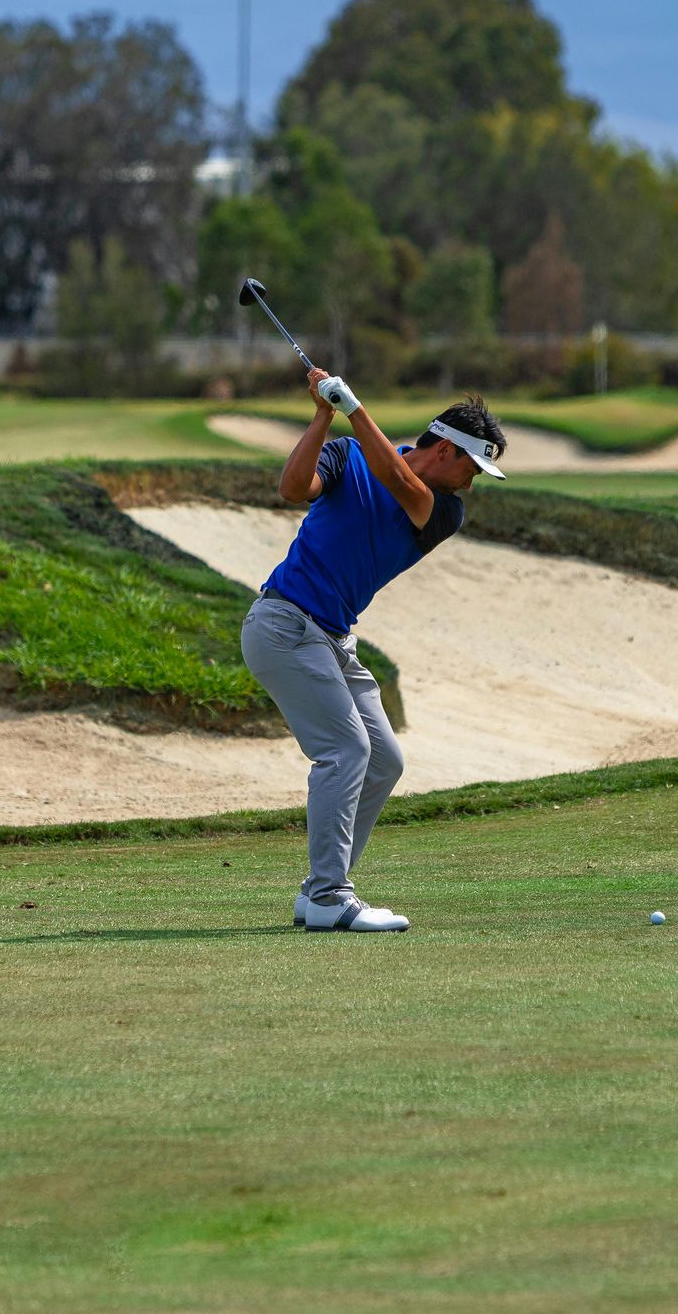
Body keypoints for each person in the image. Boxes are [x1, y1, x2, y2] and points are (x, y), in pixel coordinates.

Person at [241, 365, 508, 933]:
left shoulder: (443, 510)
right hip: (284, 626)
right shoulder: (347, 455)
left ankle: (320, 891)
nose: (471, 483)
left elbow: (401, 482)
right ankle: (333, 896)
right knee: (346, 751)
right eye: (472, 468)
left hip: (332, 640)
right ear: (447, 449)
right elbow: (292, 489)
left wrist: (356, 409)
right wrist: (323, 414)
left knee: (384, 758)